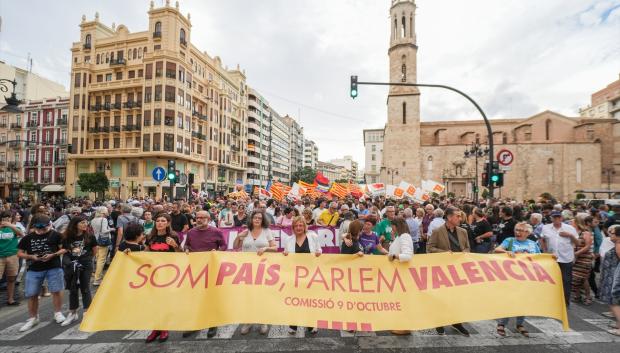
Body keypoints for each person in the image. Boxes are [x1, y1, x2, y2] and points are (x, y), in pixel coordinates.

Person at [16, 214, 66, 332]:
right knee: (32, 293)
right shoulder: (27, 238)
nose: (42, 231)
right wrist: (31, 256)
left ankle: (58, 313)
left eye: (45, 228)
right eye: (40, 229)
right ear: (34, 227)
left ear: (50, 225)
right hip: (34, 268)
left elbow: (64, 248)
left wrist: (53, 255)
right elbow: (19, 253)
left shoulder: (56, 235)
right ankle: (33, 318)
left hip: (53, 266)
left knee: (56, 290)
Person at [182, 211, 227, 339]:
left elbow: (224, 245)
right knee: (196, 297)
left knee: (211, 296)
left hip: (212, 268)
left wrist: (217, 251)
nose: (199, 220)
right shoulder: (191, 232)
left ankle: (212, 324)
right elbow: (187, 245)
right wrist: (186, 249)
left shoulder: (216, 231)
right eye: (197, 218)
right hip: (195, 269)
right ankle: (195, 324)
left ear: (208, 219)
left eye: (202, 218)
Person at [427, 207, 470, 337]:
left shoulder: (463, 231)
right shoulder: (437, 231)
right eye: (457, 216)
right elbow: (429, 248)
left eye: (460, 216)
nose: (460, 218)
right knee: (441, 297)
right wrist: (444, 254)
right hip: (442, 270)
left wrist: (464, 254)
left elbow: (467, 247)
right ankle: (439, 323)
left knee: (456, 297)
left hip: (458, 270)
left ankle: (456, 322)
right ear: (449, 217)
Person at [494, 222, 541, 337]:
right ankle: (502, 324)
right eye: (516, 229)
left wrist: (551, 257)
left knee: (523, 300)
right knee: (510, 300)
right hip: (511, 277)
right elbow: (497, 250)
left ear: (528, 232)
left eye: (521, 230)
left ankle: (520, 324)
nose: (517, 232)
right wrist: (506, 252)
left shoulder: (532, 244)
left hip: (528, 278)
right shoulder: (509, 240)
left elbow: (540, 257)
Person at [233, 210, 277, 335]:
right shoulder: (246, 231)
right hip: (246, 269)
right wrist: (238, 236)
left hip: (263, 268)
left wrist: (266, 248)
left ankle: (263, 321)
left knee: (262, 295)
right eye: (255, 218)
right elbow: (235, 246)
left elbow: (275, 248)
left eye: (259, 218)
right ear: (251, 219)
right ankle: (248, 321)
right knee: (248, 295)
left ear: (263, 220)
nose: (257, 220)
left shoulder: (267, 231)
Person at [145, 213, 181, 343]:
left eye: (163, 221)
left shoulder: (173, 236)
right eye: (158, 220)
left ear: (168, 223)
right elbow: (145, 254)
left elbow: (180, 255)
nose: (160, 223)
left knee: (165, 300)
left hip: (169, 274)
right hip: (153, 274)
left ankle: (164, 328)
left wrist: (175, 246)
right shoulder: (150, 237)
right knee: (154, 301)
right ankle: (156, 328)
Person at [283, 216, 321, 335]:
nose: (298, 228)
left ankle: (310, 325)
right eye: (296, 226)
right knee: (295, 301)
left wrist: (319, 252)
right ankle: (293, 325)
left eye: (301, 225)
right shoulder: (289, 240)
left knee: (309, 301)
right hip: (294, 277)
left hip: (310, 276)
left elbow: (319, 250)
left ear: (305, 226)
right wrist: (285, 254)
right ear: (293, 227)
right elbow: (286, 256)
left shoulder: (313, 237)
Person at [60, 216, 97, 326]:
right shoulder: (67, 237)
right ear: (75, 224)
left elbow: (95, 250)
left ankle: (87, 312)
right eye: (82, 223)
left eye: (86, 222)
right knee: (73, 288)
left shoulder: (90, 236)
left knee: (85, 288)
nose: (85, 224)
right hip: (72, 265)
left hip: (86, 264)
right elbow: (66, 250)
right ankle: (73, 312)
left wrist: (87, 259)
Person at [539, 211, 579, 308]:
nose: (556, 219)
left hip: (566, 258)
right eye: (554, 217)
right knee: (550, 280)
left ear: (562, 218)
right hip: (552, 258)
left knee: (566, 280)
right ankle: (551, 301)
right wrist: (545, 251)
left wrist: (570, 235)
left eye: (558, 217)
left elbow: (577, 242)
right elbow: (542, 239)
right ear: (551, 218)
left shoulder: (570, 228)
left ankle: (565, 303)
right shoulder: (546, 227)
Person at [388, 216, 414, 335]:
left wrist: (394, 256)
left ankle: (405, 326)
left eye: (392, 225)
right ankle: (401, 324)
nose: (391, 228)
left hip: (402, 273)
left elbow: (408, 255)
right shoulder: (400, 236)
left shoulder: (404, 237)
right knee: (399, 300)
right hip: (397, 273)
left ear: (396, 226)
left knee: (403, 300)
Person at [570, 213, 595, 305]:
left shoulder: (586, 233)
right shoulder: (576, 233)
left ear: (577, 223)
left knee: (583, 278)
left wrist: (576, 254)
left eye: (572, 222)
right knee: (575, 278)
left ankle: (588, 297)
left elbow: (587, 246)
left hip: (584, 259)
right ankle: (577, 295)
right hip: (576, 259)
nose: (570, 224)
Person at [599, 225, 620, 335]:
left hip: (615, 276)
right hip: (612, 275)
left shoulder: (618, 245)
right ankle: (618, 323)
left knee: (614, 301)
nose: (610, 235)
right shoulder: (616, 244)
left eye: (612, 233)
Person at [0, 211, 24, 306]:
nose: (7, 219)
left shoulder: (14, 228)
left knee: (11, 278)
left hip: (12, 255)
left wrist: (10, 225)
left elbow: (21, 234)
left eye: (9, 217)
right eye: (5, 217)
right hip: (0, 256)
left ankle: (10, 299)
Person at [91, 207, 112, 286]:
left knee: (98, 258)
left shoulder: (93, 220)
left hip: (96, 240)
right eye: (106, 211)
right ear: (103, 212)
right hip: (103, 241)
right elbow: (104, 231)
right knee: (101, 260)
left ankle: (98, 276)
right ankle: (97, 279)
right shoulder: (104, 219)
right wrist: (111, 229)